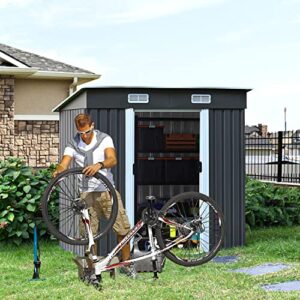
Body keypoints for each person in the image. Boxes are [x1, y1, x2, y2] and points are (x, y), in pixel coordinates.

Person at [53, 113, 134, 275]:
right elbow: (64, 163)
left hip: (106, 191)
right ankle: (91, 269)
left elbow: (113, 159)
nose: (85, 136)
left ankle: (127, 265)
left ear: (93, 126)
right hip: (86, 195)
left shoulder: (105, 139)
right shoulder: (73, 144)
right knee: (89, 235)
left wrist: (100, 165)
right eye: (81, 133)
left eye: (87, 132)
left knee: (123, 228)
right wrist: (58, 171)